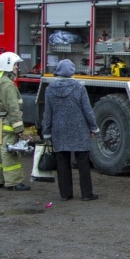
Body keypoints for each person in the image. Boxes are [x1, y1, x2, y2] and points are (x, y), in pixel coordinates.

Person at [42, 59, 100, 201]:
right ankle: (87, 194)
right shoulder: (79, 88)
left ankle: (65, 194)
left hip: (59, 130)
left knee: (62, 161)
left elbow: (47, 113)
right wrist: (93, 127)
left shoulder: (50, 89)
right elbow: (87, 110)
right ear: (72, 71)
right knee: (83, 162)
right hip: (79, 128)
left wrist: (46, 132)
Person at [0, 52, 30, 192]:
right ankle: (14, 182)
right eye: (14, 64)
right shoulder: (7, 85)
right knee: (10, 151)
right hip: (7, 124)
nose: (16, 67)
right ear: (8, 65)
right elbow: (13, 109)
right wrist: (19, 130)